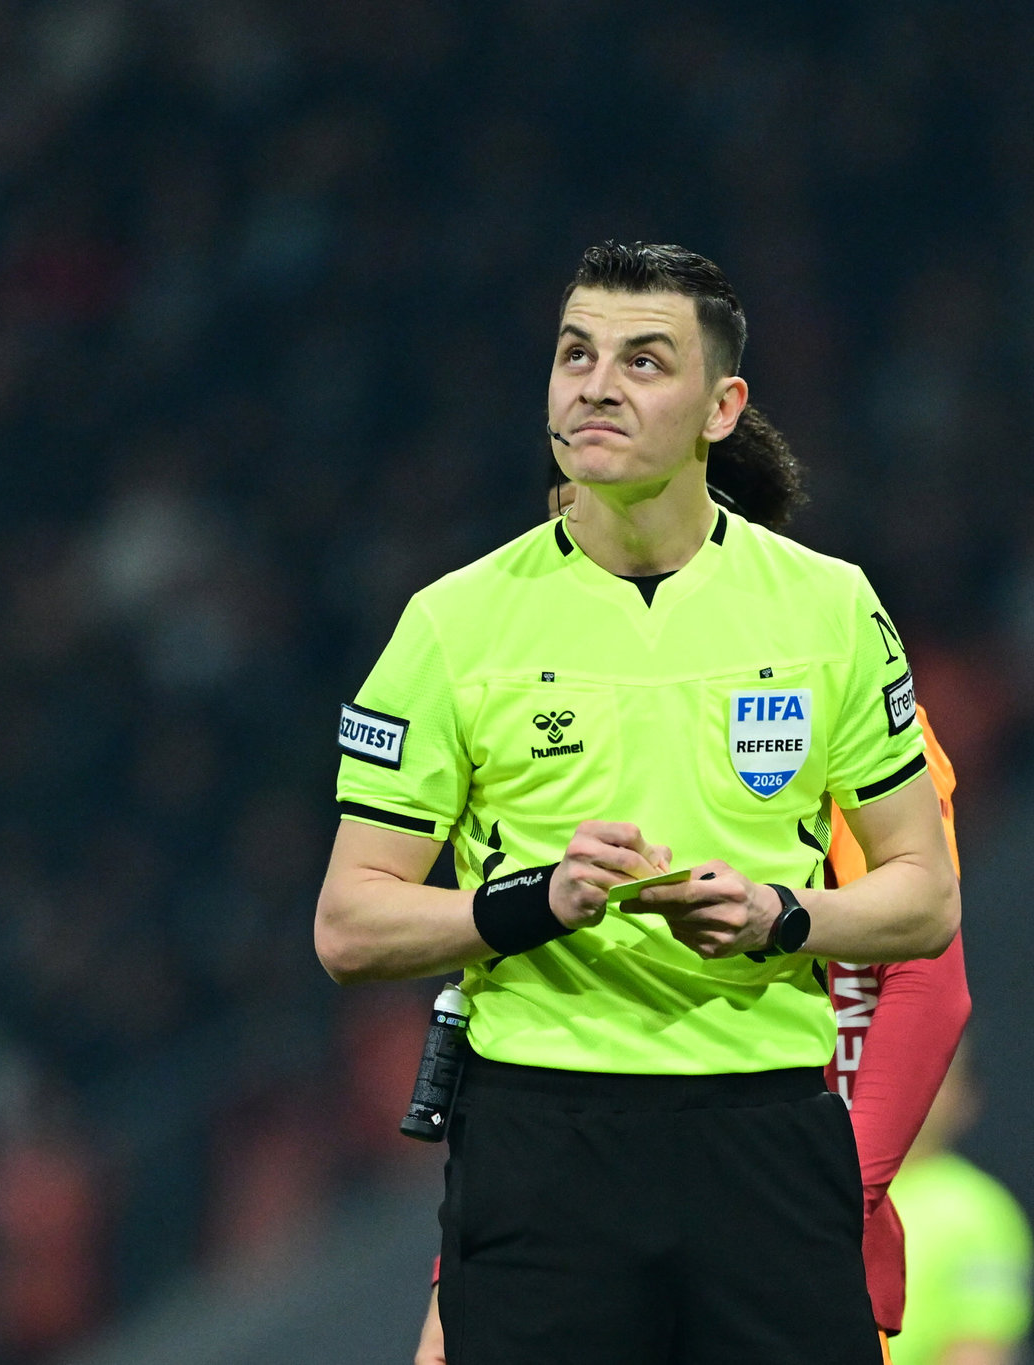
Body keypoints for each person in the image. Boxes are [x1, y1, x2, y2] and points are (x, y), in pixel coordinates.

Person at [316, 240, 959, 1364]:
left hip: (764, 1131)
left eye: (642, 360)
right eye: (575, 353)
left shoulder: (827, 611)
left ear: (723, 407)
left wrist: (781, 915)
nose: (594, 383)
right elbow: (347, 925)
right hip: (539, 1139)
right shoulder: (450, 625)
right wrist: (530, 902)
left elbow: (924, 901)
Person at [886, 1046, 1034, 1365]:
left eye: (935, 1076)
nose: (909, 1088)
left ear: (965, 1098)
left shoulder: (982, 1211)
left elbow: (980, 1350)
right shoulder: (820, 1188)